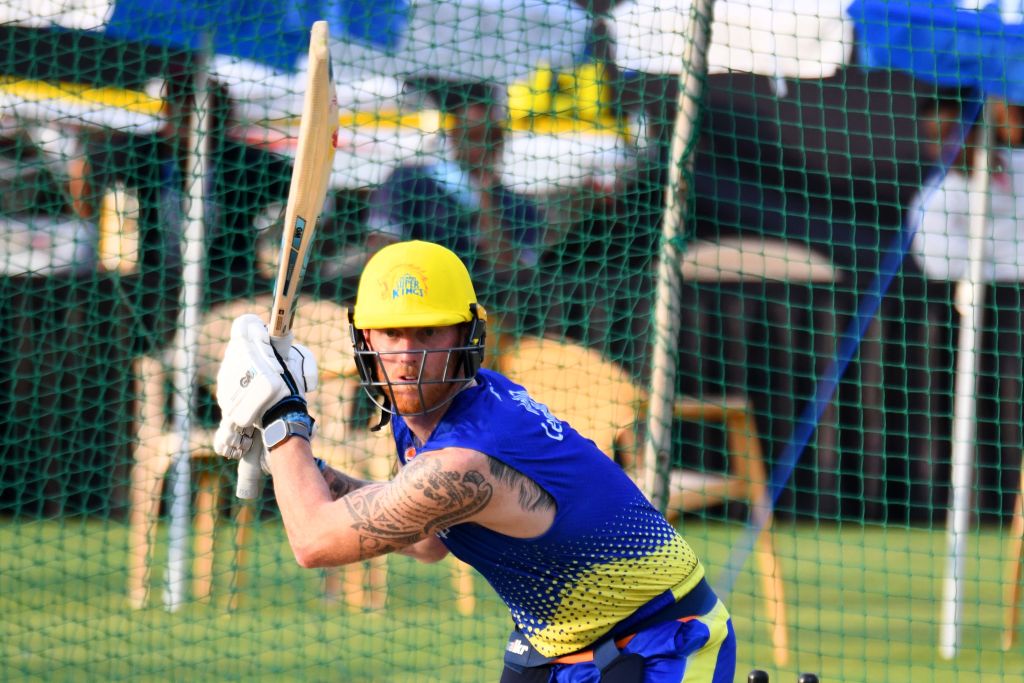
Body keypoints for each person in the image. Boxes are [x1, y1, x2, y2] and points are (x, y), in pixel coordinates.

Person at [213, 240, 736, 682]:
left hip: (658, 641)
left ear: (466, 337)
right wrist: (316, 474)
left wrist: (283, 417)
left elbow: (312, 542)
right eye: (392, 334)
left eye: (428, 334)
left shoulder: (465, 460)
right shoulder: (432, 412)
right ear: (365, 339)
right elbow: (425, 538)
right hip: (558, 640)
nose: (407, 356)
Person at [363, 81, 546, 332]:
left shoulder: (518, 207)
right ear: (453, 136)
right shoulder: (409, 182)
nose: (482, 147)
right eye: (472, 136)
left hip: (486, 322)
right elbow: (381, 250)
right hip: (415, 314)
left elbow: (511, 272)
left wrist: (486, 200)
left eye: (491, 137)